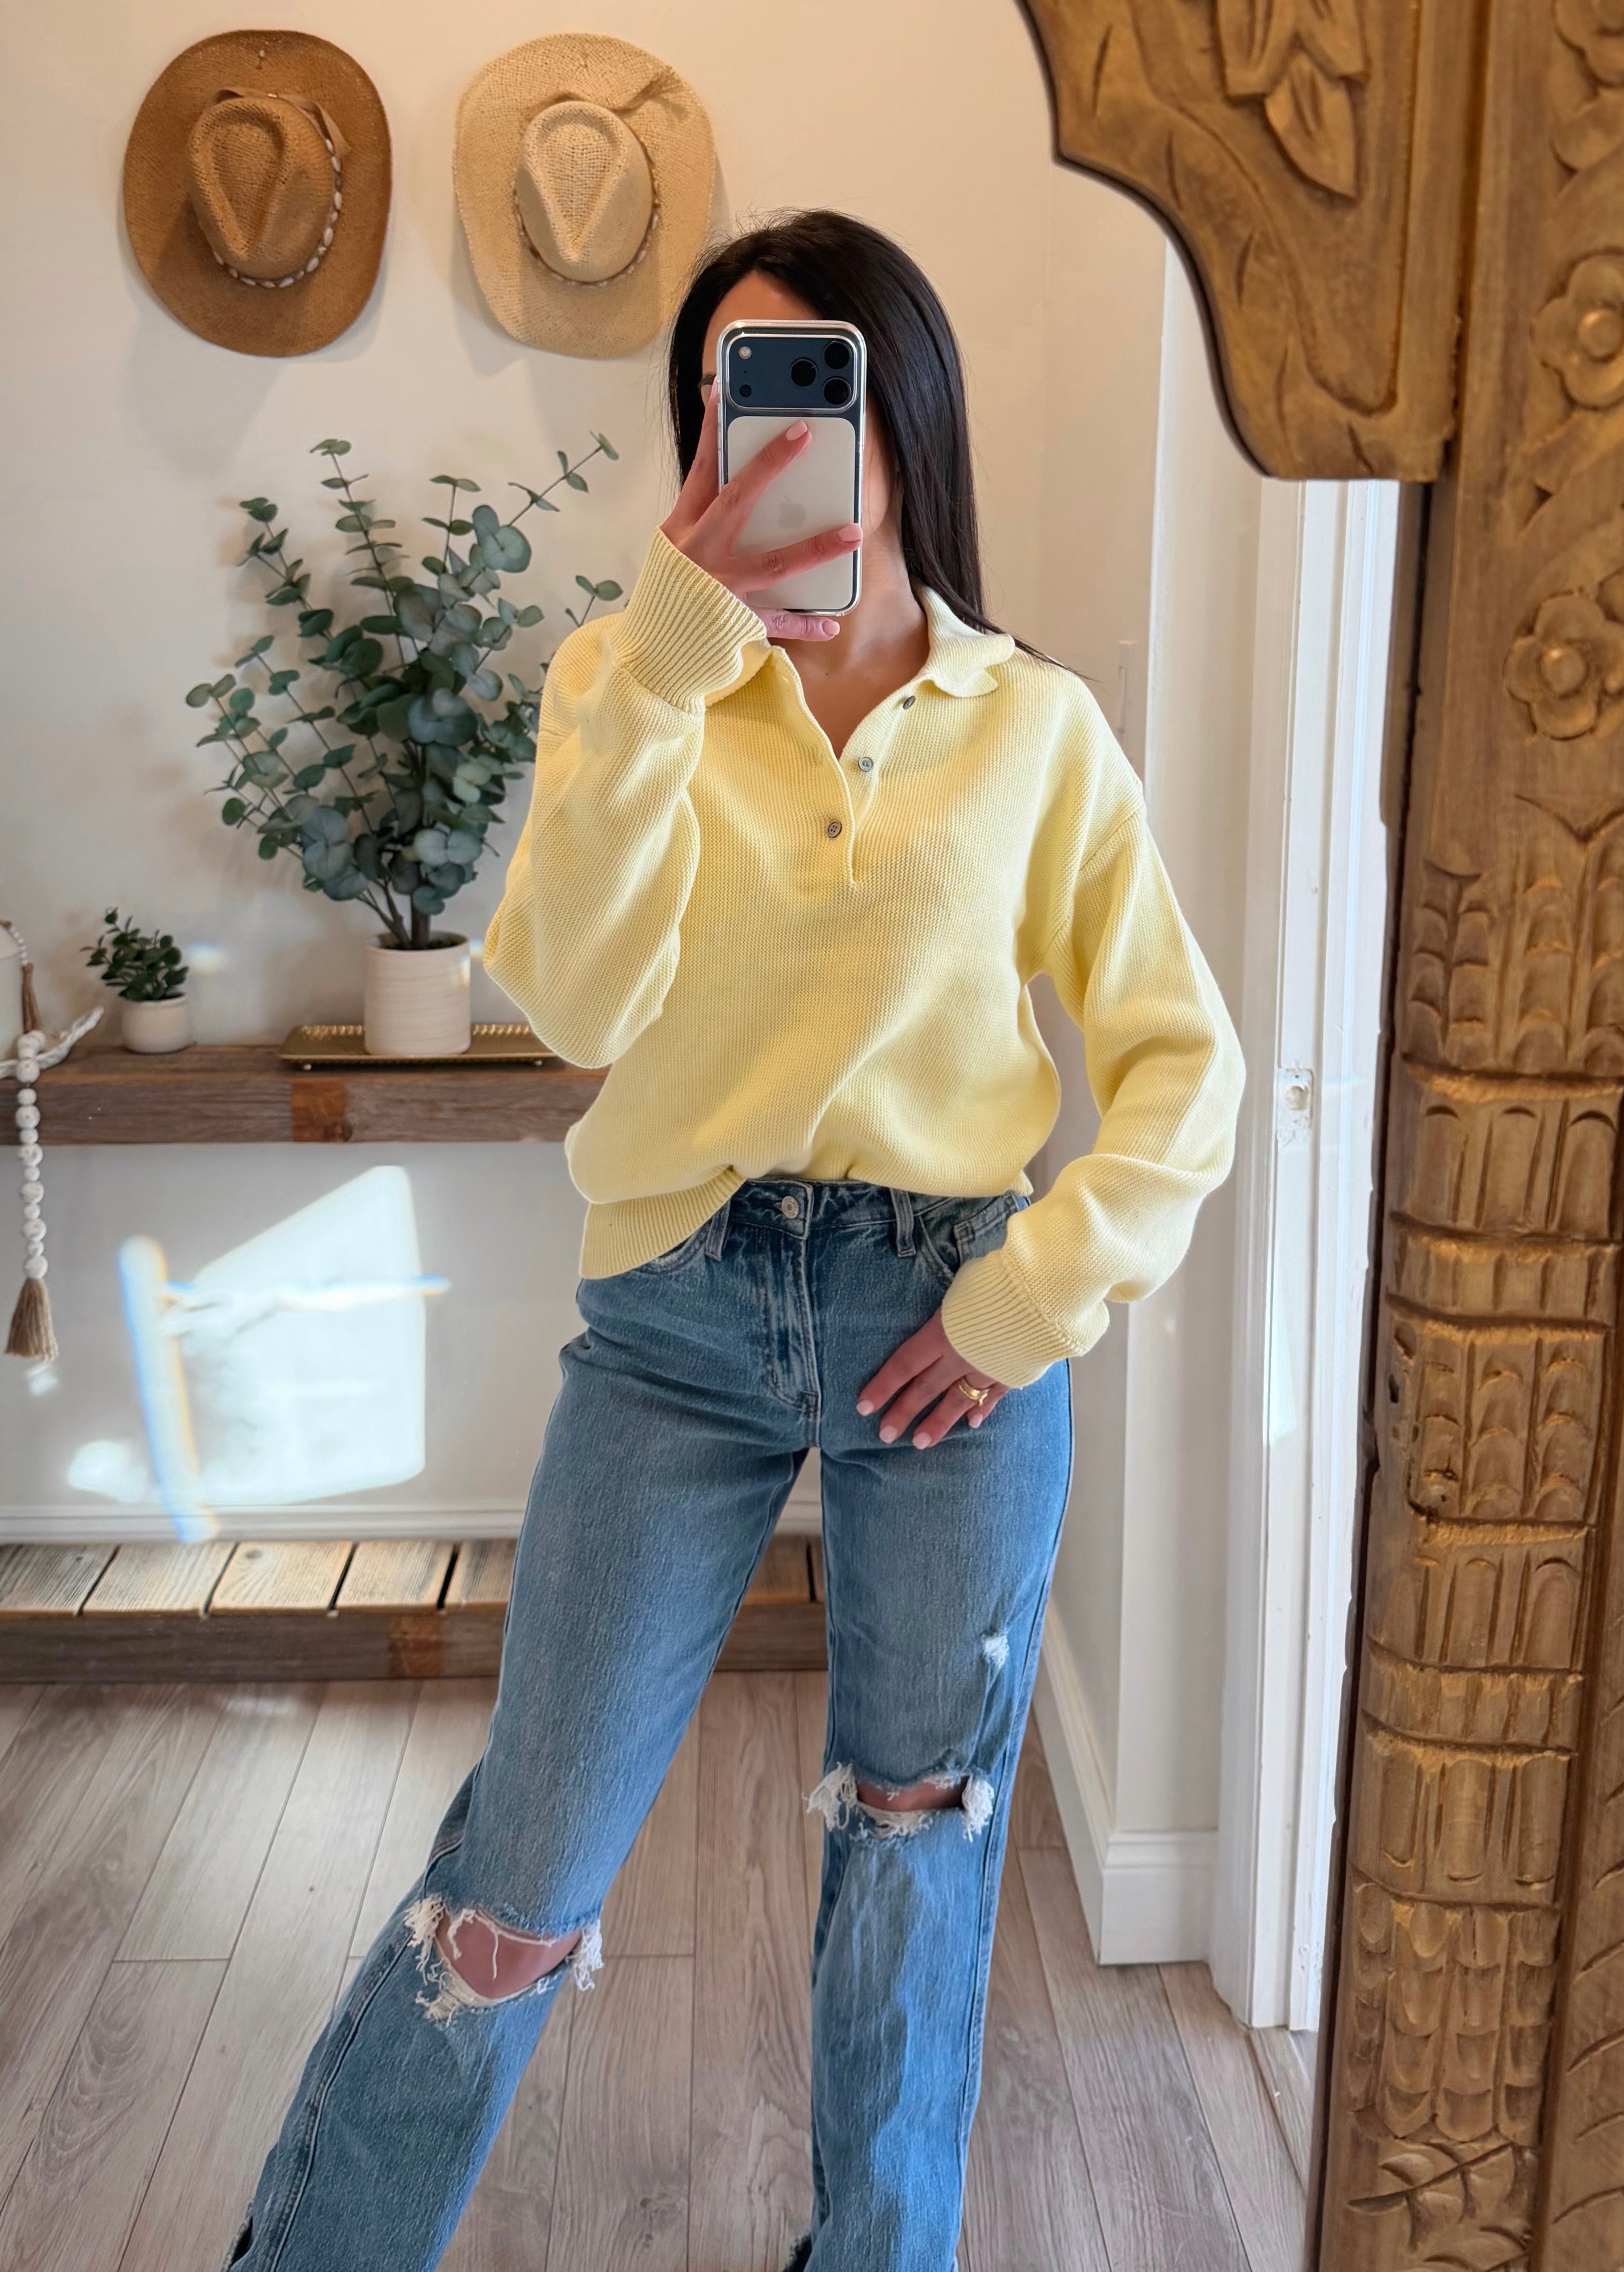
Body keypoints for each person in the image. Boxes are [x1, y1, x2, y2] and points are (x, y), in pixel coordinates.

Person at [223, 209, 1245, 2272]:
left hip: (948, 1323)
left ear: (896, 408)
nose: (748, 437)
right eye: (715, 398)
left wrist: (1035, 1295)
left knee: (918, 1848)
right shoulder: (628, 684)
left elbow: (1181, 1064)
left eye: (795, 390)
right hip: (675, 1323)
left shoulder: (1030, 725)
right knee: (518, 1874)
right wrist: (667, 670)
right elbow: (575, 1004)